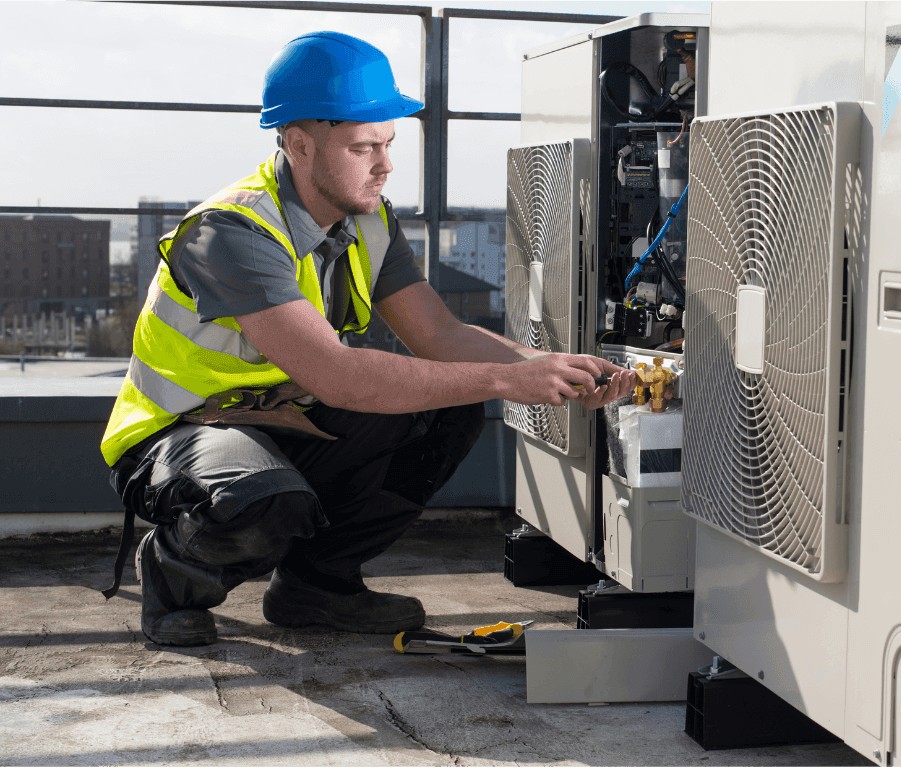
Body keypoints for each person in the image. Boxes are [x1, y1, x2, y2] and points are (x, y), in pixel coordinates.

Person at [97, 31, 634, 647]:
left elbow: (442, 335)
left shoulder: (369, 222)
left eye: (388, 144)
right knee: (267, 502)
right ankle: (174, 578)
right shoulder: (231, 232)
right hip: (183, 432)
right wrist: (510, 378)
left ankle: (316, 586)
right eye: (363, 147)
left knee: (448, 409)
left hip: (285, 420)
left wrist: (554, 368)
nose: (385, 165)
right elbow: (338, 376)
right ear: (298, 144)